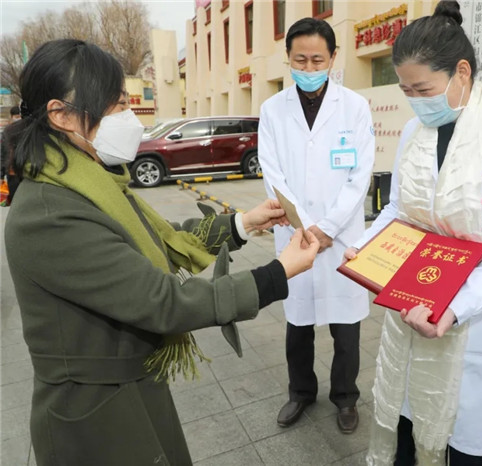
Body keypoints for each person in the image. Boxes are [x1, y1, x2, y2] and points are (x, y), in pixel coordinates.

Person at [3, 39, 320, 466]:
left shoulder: (88, 179)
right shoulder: (50, 212)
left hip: (131, 385)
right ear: (60, 114)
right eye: (116, 105)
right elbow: (163, 302)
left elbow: (160, 239)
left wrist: (243, 223)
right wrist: (276, 274)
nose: (128, 117)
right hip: (94, 415)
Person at [344, 1, 482, 464]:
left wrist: (455, 309)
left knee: (467, 450)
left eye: (424, 89)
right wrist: (366, 249)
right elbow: (399, 209)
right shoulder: (415, 131)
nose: (416, 100)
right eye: (406, 90)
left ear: (461, 73)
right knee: (408, 436)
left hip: (475, 320)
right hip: (415, 308)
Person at [258, 18, 375, 434]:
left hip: (340, 236)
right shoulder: (272, 109)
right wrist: (305, 227)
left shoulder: (355, 107)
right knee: (298, 322)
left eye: (317, 60)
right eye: (300, 60)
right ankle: (301, 392)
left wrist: (326, 229)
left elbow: (360, 176)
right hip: (295, 233)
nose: (308, 68)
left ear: (333, 58)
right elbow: (272, 172)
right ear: (288, 59)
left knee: (346, 326)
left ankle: (345, 397)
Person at [1, 105, 22, 205]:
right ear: (12, 117)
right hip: (12, 173)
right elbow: (3, 153)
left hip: (24, 173)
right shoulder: (7, 131)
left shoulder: (27, 130)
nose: (18, 119)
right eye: (16, 116)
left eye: (19, 116)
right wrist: (1, 175)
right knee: (14, 201)